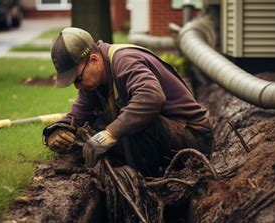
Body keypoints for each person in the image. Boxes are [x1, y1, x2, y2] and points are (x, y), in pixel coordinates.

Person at [42, 27, 213, 178]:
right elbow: (78, 115)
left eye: (78, 79)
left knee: (130, 125)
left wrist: (111, 133)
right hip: (167, 137)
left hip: (194, 139)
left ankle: (147, 187)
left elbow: (151, 97)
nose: (77, 85)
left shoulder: (125, 61)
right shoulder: (93, 82)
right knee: (89, 133)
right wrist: (56, 130)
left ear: (94, 60)